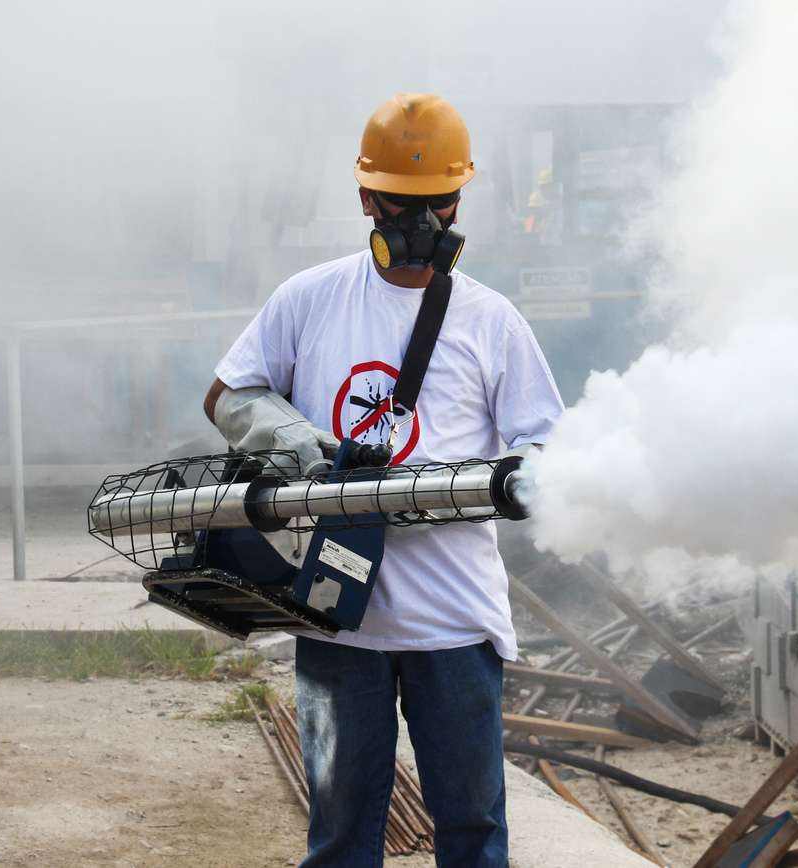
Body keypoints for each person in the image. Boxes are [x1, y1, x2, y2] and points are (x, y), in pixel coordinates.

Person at [202, 93, 564, 868]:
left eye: (440, 204)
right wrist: (305, 449)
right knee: (340, 840)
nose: (425, 224)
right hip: (337, 616)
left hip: (455, 620)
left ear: (461, 198)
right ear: (366, 197)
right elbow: (229, 393)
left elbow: (548, 445)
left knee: (472, 836)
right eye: (408, 205)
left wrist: (521, 478)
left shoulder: (492, 320)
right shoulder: (309, 299)